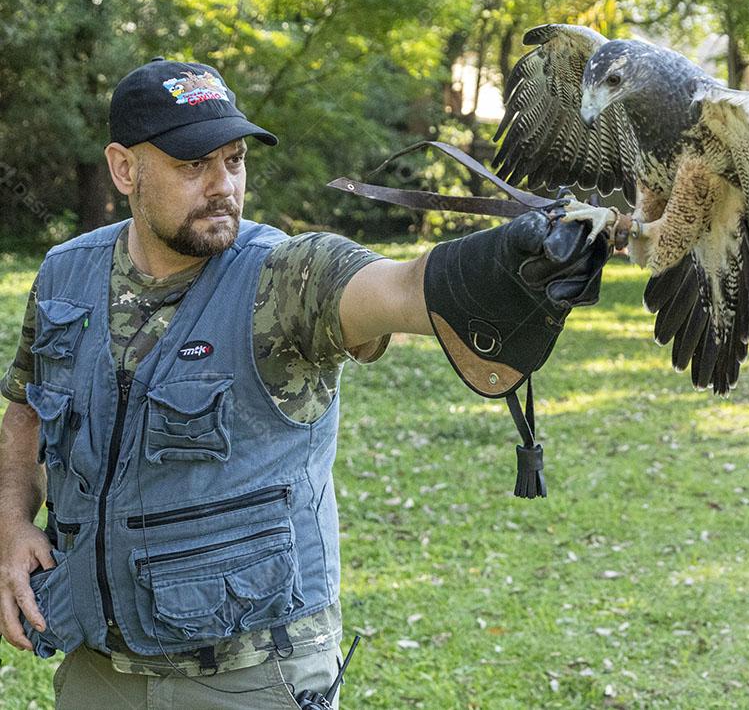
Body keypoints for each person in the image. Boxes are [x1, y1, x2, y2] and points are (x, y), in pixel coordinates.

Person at [0, 57, 607, 708]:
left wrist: (501, 263)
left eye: (234, 161)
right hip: (98, 671)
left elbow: (399, 288)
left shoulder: (286, 277)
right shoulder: (67, 275)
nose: (222, 186)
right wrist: (11, 522)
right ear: (125, 169)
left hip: (255, 676)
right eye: (192, 165)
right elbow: (27, 412)